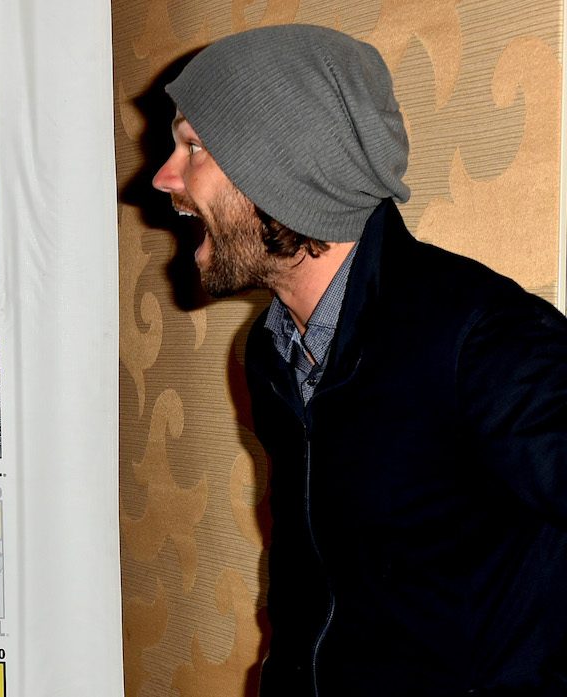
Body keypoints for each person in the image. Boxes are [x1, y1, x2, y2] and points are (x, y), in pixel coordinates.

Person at [152, 24, 567, 697]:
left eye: (194, 146)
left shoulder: (481, 337)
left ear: (282, 164)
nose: (164, 176)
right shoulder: (270, 348)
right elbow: (310, 596)